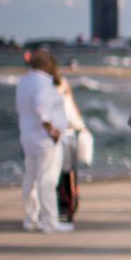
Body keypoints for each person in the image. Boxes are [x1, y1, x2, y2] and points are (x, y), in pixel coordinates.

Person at [15, 47, 71, 233]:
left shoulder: (24, 81)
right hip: (44, 138)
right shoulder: (42, 84)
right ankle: (50, 222)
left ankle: (31, 218)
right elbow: (42, 110)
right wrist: (52, 130)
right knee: (47, 179)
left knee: (31, 178)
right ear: (47, 64)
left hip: (28, 136)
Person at [54, 74, 90, 225]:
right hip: (67, 138)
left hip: (56, 139)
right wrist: (82, 128)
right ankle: (69, 207)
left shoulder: (51, 93)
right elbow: (74, 116)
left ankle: (63, 207)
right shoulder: (65, 93)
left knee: (59, 176)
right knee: (69, 174)